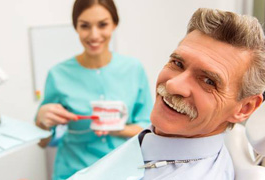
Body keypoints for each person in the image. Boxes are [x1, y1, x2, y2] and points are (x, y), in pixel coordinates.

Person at [69, 8, 265, 180]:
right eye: (178, 64)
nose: (173, 85)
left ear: (244, 108)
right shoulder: (162, 139)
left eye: (208, 81)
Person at [35, 0, 153, 179]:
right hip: (73, 172)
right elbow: (43, 143)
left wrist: (115, 128)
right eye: (85, 26)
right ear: (76, 27)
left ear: (114, 23)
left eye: (103, 24)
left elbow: (148, 131)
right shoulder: (58, 74)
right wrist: (42, 121)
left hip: (123, 171)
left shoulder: (133, 69)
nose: (94, 35)